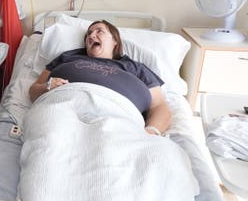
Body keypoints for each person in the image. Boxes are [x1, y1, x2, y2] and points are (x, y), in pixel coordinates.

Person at [29, 20, 172, 134]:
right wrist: (47, 87)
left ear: (115, 40)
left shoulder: (136, 68)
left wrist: (151, 131)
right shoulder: (67, 57)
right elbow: (34, 90)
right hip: (63, 110)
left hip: (120, 118)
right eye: (89, 34)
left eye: (99, 31)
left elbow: (159, 106)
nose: (91, 36)